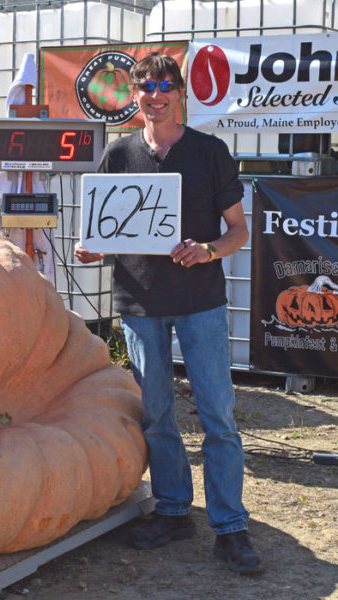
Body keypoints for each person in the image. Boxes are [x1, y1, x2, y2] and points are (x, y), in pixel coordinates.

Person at [74, 53, 263, 575]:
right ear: (133, 95)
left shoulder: (210, 152)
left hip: (200, 303)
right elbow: (108, 231)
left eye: (163, 86)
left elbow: (238, 232)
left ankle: (231, 527)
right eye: (144, 87)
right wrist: (91, 249)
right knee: (157, 415)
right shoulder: (117, 154)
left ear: (180, 93)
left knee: (218, 417)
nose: (154, 95)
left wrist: (208, 250)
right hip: (138, 303)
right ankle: (174, 509)